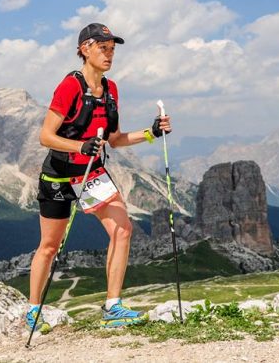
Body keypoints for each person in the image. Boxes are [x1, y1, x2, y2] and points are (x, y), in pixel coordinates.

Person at [27, 22, 172, 332]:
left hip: (91, 173)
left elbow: (115, 140)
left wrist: (151, 132)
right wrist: (81, 144)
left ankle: (113, 306)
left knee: (123, 229)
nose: (109, 54)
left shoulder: (112, 89)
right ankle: (33, 308)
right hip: (58, 177)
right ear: (84, 49)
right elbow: (45, 136)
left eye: (112, 50)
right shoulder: (70, 86)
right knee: (50, 246)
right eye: (102, 48)